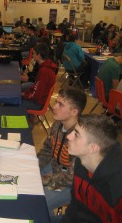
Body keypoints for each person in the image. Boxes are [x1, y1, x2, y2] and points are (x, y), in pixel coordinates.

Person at [60, 114, 122, 223]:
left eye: (76, 134)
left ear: (92, 148)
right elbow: (75, 207)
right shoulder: (82, 162)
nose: (69, 136)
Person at [37, 87, 87, 222]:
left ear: (74, 112)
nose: (54, 107)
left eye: (60, 104)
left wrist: (44, 180)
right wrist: (34, 167)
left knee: (38, 202)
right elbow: (48, 149)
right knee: (25, 180)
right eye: (56, 102)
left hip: (71, 186)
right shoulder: (58, 124)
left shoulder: (80, 139)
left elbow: (71, 177)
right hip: (55, 169)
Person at [21, 43, 57, 110]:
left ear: (39, 55)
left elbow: (37, 95)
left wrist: (24, 95)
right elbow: (36, 87)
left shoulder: (44, 71)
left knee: (12, 103)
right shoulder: (45, 67)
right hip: (38, 101)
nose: (32, 55)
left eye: (34, 53)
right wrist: (24, 94)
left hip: (38, 104)